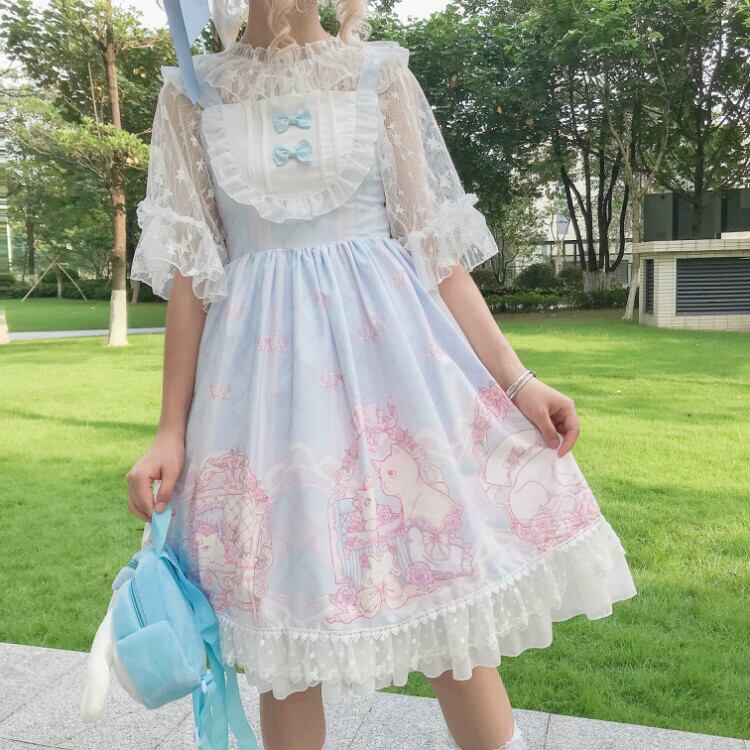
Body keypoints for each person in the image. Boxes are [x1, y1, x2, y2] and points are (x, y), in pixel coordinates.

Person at [126, 1, 637, 749]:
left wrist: (518, 381)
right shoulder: (191, 94)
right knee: (285, 646)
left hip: (398, 384)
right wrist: (169, 430)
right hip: (261, 407)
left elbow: (436, 251)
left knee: (448, 620)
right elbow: (190, 279)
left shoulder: (380, 74)